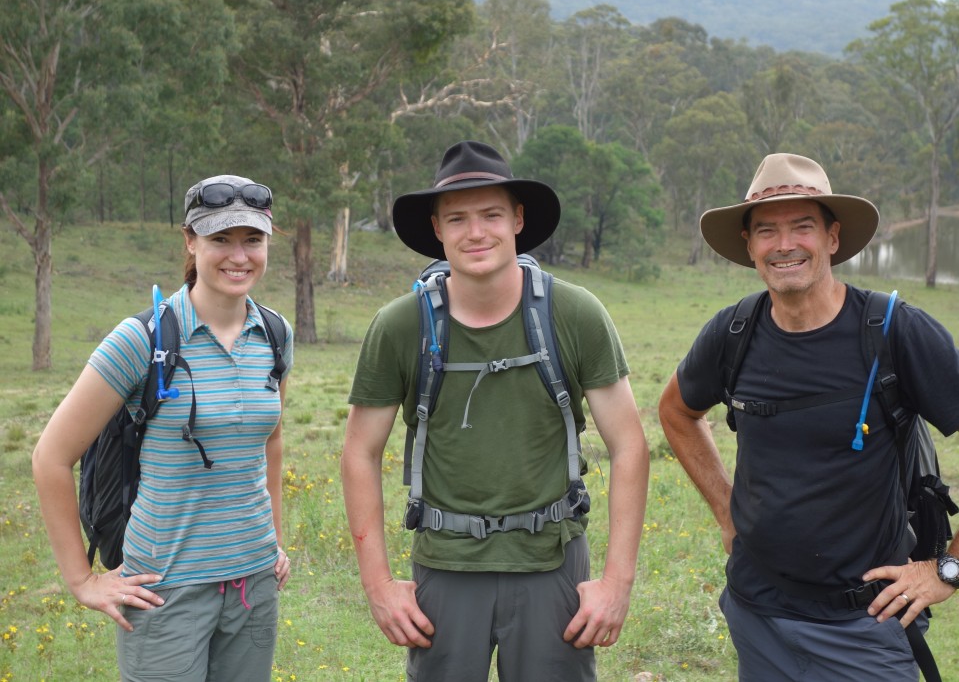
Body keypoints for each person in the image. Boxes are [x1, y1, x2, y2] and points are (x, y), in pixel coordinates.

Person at [657, 152, 959, 681]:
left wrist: (951, 567)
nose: (784, 245)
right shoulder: (733, 332)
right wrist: (726, 512)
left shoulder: (895, 331)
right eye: (766, 231)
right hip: (758, 615)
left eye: (801, 226)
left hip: (865, 625)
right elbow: (675, 411)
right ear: (749, 247)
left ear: (832, 238)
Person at [341, 140, 649, 681]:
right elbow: (359, 453)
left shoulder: (574, 314)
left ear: (518, 220)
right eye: (456, 218)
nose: (475, 232)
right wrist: (379, 586)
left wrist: (616, 583)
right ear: (436, 228)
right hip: (445, 567)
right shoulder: (400, 326)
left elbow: (629, 446)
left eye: (491, 214)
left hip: (552, 564)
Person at [32, 174, 294, 682]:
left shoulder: (276, 335)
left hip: (254, 586)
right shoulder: (142, 339)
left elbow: (272, 438)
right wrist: (82, 581)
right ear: (190, 241)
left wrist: (274, 541)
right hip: (165, 589)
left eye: (252, 240)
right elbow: (50, 457)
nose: (239, 256)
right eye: (220, 239)